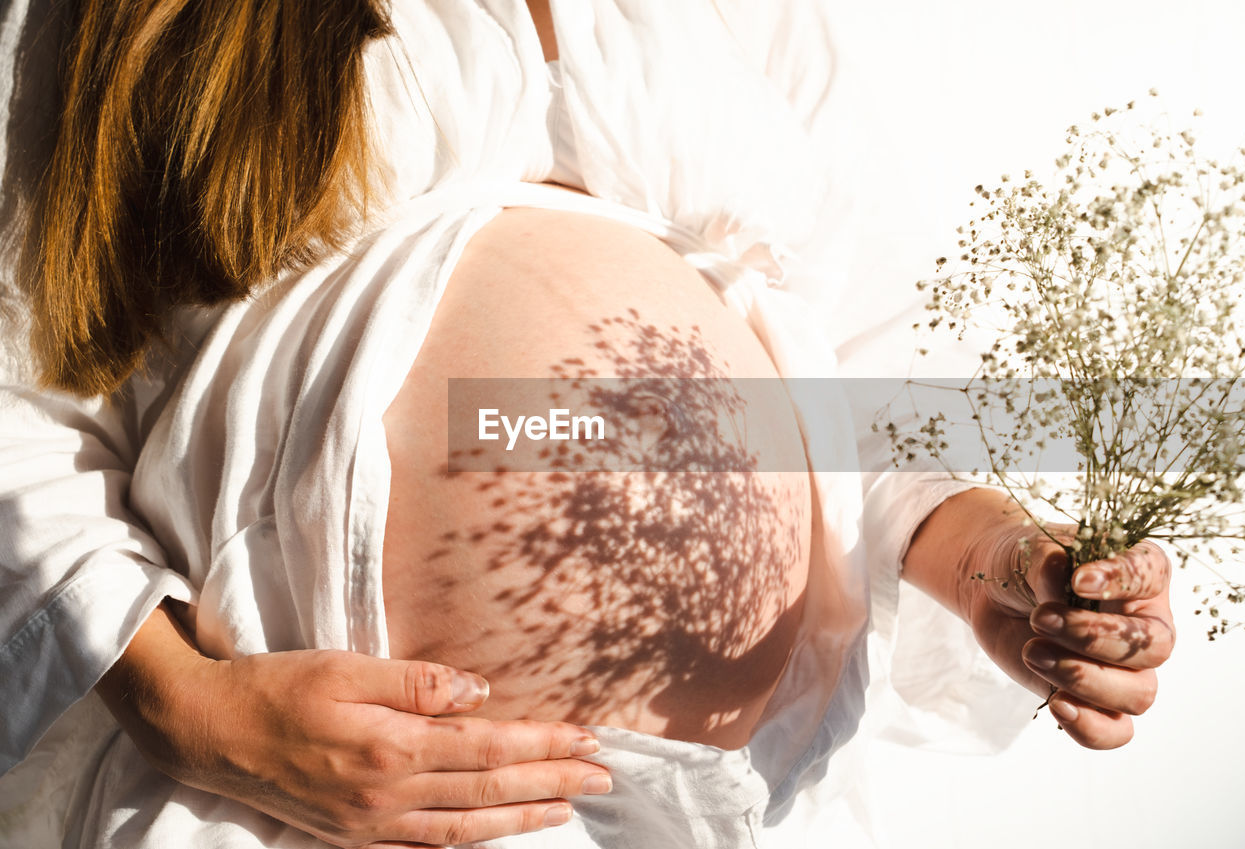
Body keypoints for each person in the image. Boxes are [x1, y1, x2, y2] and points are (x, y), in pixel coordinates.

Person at [0, 1, 1175, 847]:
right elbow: (15, 399)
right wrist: (182, 706)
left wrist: (992, 564)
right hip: (296, 796)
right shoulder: (122, 19)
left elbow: (863, 378)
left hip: (696, 805)